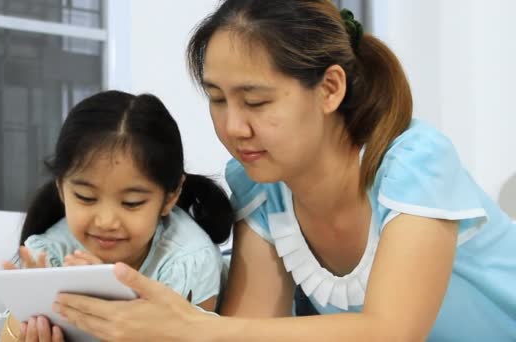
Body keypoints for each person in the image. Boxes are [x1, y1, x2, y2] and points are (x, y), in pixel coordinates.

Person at [56, 1, 515, 341]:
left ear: (329, 88)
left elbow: (391, 332)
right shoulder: (263, 189)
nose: (234, 127)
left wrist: (195, 328)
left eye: (256, 101)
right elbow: (249, 329)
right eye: (217, 99)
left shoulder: (413, 162)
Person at [0, 90, 234, 341]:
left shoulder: (189, 261)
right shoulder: (49, 254)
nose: (106, 222)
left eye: (131, 203)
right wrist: (29, 304)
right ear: (61, 189)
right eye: (86, 198)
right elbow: (9, 335)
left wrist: (111, 293)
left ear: (170, 197)